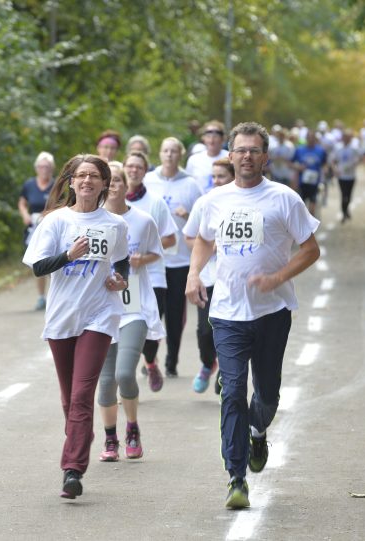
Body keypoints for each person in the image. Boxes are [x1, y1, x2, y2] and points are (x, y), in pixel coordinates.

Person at [185, 121, 320, 510]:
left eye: (254, 150)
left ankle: (258, 430)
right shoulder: (213, 201)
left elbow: (310, 250)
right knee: (232, 392)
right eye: (240, 150)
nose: (246, 156)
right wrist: (195, 274)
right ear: (229, 155)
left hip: (272, 312)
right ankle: (236, 478)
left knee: (266, 395)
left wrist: (279, 276)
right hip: (226, 312)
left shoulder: (284, 199)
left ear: (265, 157)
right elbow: (204, 240)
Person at [22, 154, 129, 499]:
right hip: (62, 316)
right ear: (71, 182)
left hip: (100, 315)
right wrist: (68, 256)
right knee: (70, 401)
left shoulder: (115, 224)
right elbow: (38, 267)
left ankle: (72, 469)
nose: (87, 181)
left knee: (83, 395)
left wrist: (120, 280)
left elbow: (122, 260)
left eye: (94, 176)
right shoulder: (55, 222)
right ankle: (80, 440)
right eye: (81, 176)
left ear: (103, 184)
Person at [97, 162, 164, 462]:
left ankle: (132, 429)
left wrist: (139, 260)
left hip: (134, 306)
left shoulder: (143, 220)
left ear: (126, 185)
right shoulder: (90, 221)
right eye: (107, 181)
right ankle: (110, 438)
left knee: (125, 373)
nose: (112, 185)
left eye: (117, 180)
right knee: (106, 380)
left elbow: (157, 253)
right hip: (101, 309)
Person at [144, 137, 203, 377]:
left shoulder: (190, 184)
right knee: (150, 313)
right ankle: (149, 357)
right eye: (165, 150)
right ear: (159, 154)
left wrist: (187, 214)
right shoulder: (148, 181)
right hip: (152, 261)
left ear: (180, 156)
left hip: (179, 260)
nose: (169, 155)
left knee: (175, 316)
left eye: (174, 151)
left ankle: (171, 361)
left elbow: (201, 222)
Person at [122, 150, 178, 391]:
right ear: (123, 169)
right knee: (125, 326)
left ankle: (151, 362)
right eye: (130, 166)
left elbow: (169, 239)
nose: (133, 170)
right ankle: (126, 377)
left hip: (152, 275)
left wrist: (144, 256)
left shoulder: (154, 203)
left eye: (139, 167)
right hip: (125, 280)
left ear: (145, 172)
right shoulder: (110, 201)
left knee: (150, 327)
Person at [182, 157, 234, 394]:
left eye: (221, 176)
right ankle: (207, 363)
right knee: (205, 331)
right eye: (213, 176)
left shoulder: (243, 203)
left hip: (232, 280)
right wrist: (209, 247)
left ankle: (225, 371)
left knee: (229, 330)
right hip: (208, 278)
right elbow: (189, 237)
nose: (216, 181)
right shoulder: (205, 203)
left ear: (233, 177)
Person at [18, 152, 56, 310]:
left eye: (47, 167)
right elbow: (22, 202)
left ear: (52, 168)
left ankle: (55, 294)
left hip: (50, 227)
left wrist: (47, 214)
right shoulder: (29, 184)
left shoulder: (55, 185)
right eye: (41, 166)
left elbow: (62, 204)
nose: (44, 169)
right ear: (36, 168)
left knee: (51, 262)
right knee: (37, 262)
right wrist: (25, 215)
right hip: (33, 228)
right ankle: (41, 297)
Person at [185, 120, 229, 194]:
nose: (211, 140)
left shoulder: (229, 157)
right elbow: (188, 185)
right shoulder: (194, 160)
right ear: (203, 139)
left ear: (222, 139)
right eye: (208, 136)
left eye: (215, 137)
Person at [292, 131, 328, 216]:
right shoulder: (299, 150)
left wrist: (325, 170)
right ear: (306, 139)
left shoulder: (321, 151)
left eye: (312, 138)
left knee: (312, 208)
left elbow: (325, 163)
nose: (311, 140)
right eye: (309, 138)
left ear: (315, 139)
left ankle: (311, 226)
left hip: (314, 183)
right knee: (301, 208)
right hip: (302, 182)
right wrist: (298, 167)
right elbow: (290, 163)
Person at [330, 130, 362, 223]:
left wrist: (354, 164)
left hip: (351, 176)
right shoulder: (338, 148)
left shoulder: (354, 148)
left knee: (349, 195)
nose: (346, 139)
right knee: (344, 195)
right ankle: (344, 213)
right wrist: (335, 169)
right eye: (345, 137)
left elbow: (359, 158)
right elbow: (333, 160)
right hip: (341, 176)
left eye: (348, 138)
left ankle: (346, 209)